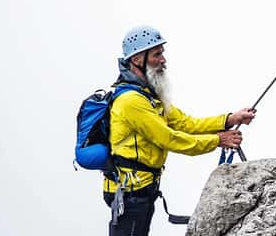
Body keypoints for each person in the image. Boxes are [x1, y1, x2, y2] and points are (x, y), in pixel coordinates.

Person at [103, 25, 256, 236]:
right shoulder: (131, 101)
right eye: (157, 54)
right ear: (138, 59)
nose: (163, 60)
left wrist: (229, 120)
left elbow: (185, 123)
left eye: (162, 53)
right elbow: (169, 139)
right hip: (130, 192)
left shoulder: (149, 95)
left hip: (141, 189)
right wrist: (218, 140)